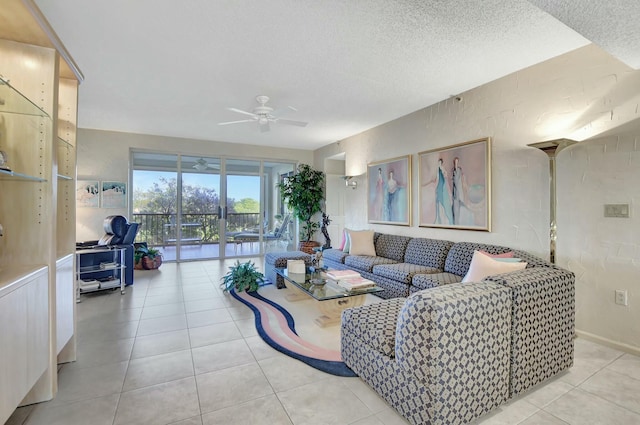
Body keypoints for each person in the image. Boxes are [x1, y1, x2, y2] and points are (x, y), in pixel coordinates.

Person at [435, 158, 453, 224]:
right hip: (439, 186)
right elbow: (436, 179)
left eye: (440, 162)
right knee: (438, 203)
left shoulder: (442, 168)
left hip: (442, 186)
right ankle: (440, 220)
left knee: (444, 202)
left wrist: (443, 171)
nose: (439, 163)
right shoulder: (437, 169)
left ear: (441, 163)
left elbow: (445, 175)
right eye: (438, 162)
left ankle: (446, 220)